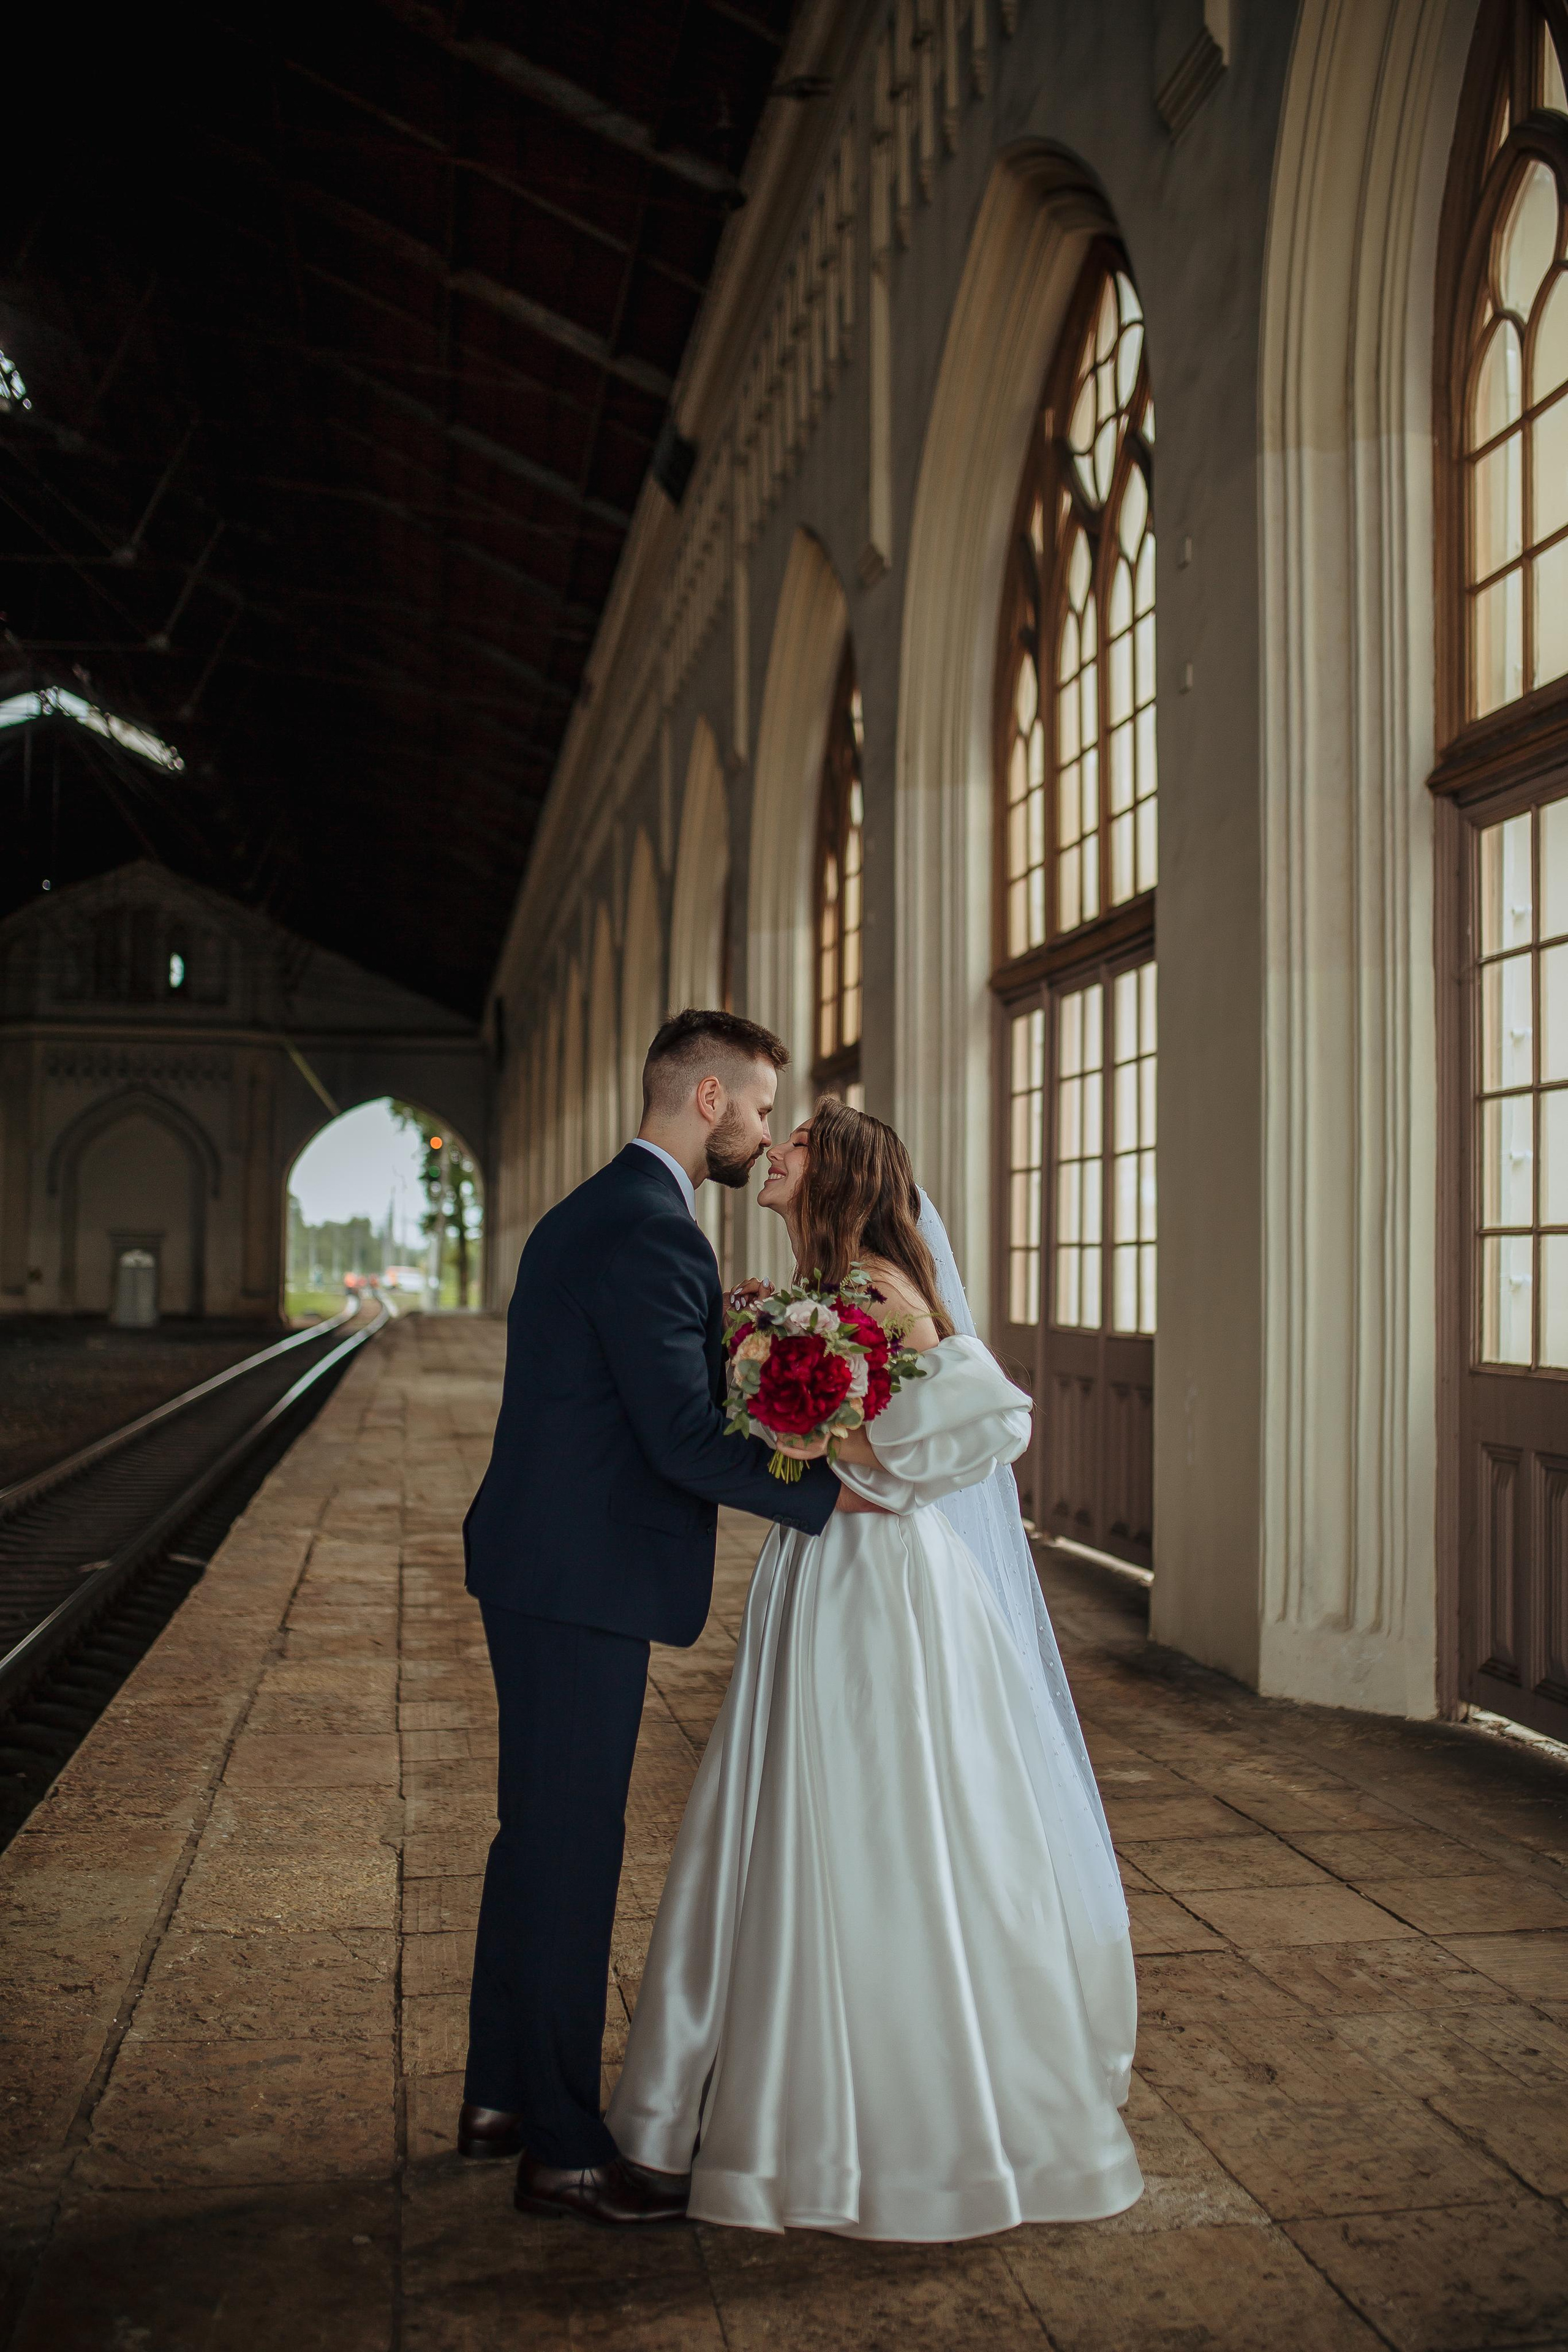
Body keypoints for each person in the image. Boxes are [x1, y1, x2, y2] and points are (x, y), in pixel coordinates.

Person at [607, 1096, 1143, 2241]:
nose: (775, 1152)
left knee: (889, 1820)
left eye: (796, 1141)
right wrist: (796, 1424)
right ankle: (779, 2084)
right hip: (820, 1573)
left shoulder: (882, 1287)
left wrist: (842, 1439)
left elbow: (993, 1419)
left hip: (887, 1583)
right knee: (789, 1815)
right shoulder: (809, 1292)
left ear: (837, 1168)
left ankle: (915, 2125)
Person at [459, 1010, 856, 2227]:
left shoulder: (602, 1214)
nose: (757, 1132)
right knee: (568, 1855)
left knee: (533, 1840)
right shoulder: (649, 1232)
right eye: (753, 1108)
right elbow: (682, 1441)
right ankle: (566, 2155)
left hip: (544, 1567)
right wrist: (837, 1499)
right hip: (575, 1583)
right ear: (704, 1102)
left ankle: (501, 2098)